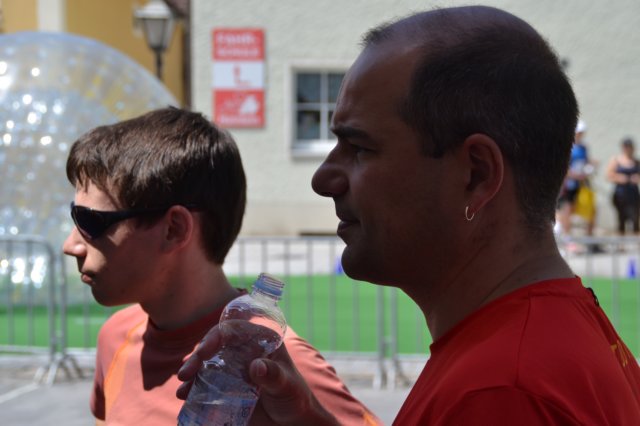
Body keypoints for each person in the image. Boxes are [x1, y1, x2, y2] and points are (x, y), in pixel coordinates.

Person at [177, 6, 640, 425]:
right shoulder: (541, 338)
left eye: (360, 148)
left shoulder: (500, 391)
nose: (323, 179)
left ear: (476, 174)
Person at [62, 107, 380, 425]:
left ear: (174, 229)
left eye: (90, 221)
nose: (71, 245)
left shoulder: (271, 365)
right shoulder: (116, 336)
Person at [556, 120, 602, 252]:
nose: (580, 135)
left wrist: (591, 166)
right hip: (569, 185)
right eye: (578, 132)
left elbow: (585, 162)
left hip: (583, 186)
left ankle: (590, 240)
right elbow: (563, 168)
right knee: (567, 211)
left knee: (592, 210)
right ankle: (567, 240)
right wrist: (575, 175)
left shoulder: (583, 147)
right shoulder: (566, 147)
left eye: (582, 132)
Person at [606, 137, 640, 237]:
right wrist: (621, 178)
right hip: (620, 194)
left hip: (633, 194)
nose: (628, 149)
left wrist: (636, 178)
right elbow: (609, 175)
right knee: (621, 219)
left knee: (635, 219)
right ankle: (620, 242)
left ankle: (636, 241)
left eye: (630, 147)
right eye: (626, 147)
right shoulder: (616, 160)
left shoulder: (636, 162)